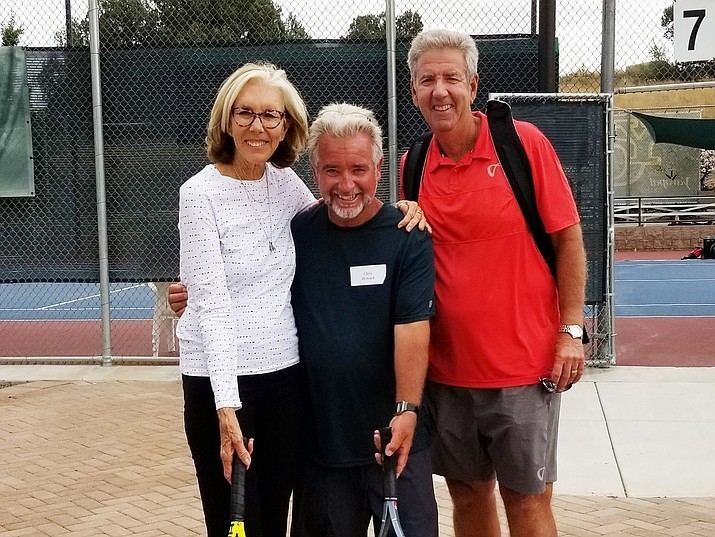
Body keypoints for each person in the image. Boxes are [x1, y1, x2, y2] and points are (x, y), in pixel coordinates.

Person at [173, 63, 425, 537]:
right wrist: (227, 408)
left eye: (272, 116)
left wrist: (399, 210)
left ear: (287, 125)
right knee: (234, 523)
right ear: (227, 118)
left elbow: (340, 210)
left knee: (276, 515)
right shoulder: (198, 194)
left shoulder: (285, 184)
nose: (258, 126)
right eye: (246, 113)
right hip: (223, 384)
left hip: (286, 379)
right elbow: (211, 304)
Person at [405, 29, 587, 537]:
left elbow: (569, 241)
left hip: (524, 372)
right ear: (414, 90)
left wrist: (571, 330)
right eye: (427, 80)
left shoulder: (523, 145)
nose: (439, 91)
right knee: (467, 494)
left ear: (473, 84)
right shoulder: (413, 165)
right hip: (447, 373)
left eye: (451, 78)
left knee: (527, 502)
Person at [289, 103, 438, 537]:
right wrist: (196, 297)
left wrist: (406, 410)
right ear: (315, 170)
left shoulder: (407, 235)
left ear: (378, 167)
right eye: (332, 170)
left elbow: (412, 330)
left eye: (358, 168)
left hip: (395, 439)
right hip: (322, 447)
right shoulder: (297, 232)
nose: (347, 184)